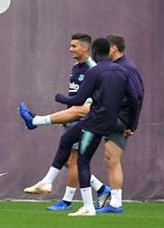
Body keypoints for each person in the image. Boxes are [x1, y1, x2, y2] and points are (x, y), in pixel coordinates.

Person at [20, 34, 109, 210]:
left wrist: (71, 113)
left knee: (74, 161)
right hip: (72, 119)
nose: (70, 49)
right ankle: (102, 189)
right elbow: (75, 96)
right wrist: (66, 117)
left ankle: (67, 201)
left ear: (85, 48)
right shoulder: (76, 68)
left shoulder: (94, 69)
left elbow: (87, 103)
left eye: (74, 46)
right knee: (69, 162)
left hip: (85, 121)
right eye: (70, 46)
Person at [54, 38, 140, 216]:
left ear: (94, 51)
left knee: (81, 160)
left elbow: (78, 100)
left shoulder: (99, 71)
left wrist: (60, 98)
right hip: (116, 122)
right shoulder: (122, 69)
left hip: (98, 122)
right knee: (110, 160)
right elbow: (134, 98)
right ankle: (113, 202)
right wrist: (132, 124)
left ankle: (87, 206)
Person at [96, 34, 144, 214]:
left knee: (112, 160)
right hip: (113, 118)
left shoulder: (126, 68)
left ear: (113, 48)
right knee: (110, 159)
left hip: (119, 119)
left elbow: (137, 96)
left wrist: (132, 125)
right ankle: (113, 201)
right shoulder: (117, 67)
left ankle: (115, 203)